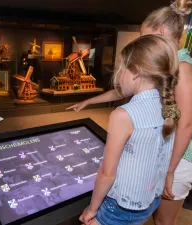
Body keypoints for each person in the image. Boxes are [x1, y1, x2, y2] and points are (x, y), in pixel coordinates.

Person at [68, 1, 192, 224]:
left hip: (179, 157)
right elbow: (127, 90)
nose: (141, 41)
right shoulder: (163, 66)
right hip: (160, 160)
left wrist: (169, 170)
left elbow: (186, 124)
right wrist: (89, 101)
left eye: (144, 36)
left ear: (162, 33)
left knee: (164, 220)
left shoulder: (183, 67)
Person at [79, 34, 180, 225]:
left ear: (135, 71)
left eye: (121, 68)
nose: (118, 75)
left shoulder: (123, 115)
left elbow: (107, 173)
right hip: (150, 201)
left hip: (119, 208)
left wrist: (92, 209)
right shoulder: (169, 106)